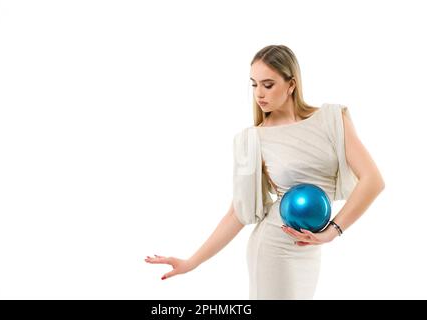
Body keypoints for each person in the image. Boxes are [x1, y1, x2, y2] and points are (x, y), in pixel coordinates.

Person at [144, 44, 385, 299]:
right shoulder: (254, 139)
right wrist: (192, 262)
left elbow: (373, 181)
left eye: (268, 85)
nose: (259, 93)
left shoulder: (331, 118)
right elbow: (238, 211)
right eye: (253, 84)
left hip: (309, 250)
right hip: (275, 248)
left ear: (291, 84)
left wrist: (332, 232)